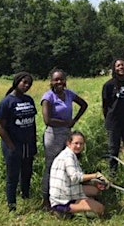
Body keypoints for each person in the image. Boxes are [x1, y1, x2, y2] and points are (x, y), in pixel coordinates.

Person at [41, 68, 88, 210]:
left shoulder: (69, 94)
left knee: (69, 165)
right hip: (53, 136)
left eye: (61, 79)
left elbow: (84, 105)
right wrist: (66, 123)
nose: (59, 82)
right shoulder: (48, 97)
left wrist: (74, 120)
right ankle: (47, 200)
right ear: (51, 82)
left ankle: (67, 196)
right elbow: (47, 120)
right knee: (51, 167)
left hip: (67, 135)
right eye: (56, 79)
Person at [0, 72, 37, 212]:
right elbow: (0, 126)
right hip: (13, 145)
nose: (26, 86)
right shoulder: (6, 102)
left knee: (27, 172)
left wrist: (33, 141)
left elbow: (33, 122)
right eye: (24, 82)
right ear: (17, 82)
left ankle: (26, 197)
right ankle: (12, 206)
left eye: (29, 84)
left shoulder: (29, 100)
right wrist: (11, 146)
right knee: (12, 176)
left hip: (28, 144)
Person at [50, 131, 109, 218]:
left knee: (95, 190)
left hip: (67, 189)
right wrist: (95, 175)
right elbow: (75, 177)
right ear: (69, 143)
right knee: (101, 209)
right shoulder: (68, 157)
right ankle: (63, 211)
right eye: (76, 143)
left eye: (81, 144)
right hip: (62, 198)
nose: (78, 146)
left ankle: (81, 206)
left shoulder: (68, 154)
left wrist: (94, 181)